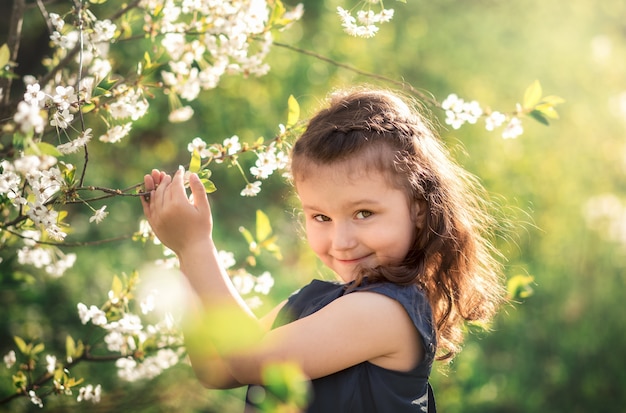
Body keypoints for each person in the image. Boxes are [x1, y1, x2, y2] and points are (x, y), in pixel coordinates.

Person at [141, 86, 506, 412]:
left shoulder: (388, 312)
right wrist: (184, 258)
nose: (341, 241)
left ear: (418, 209)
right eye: (320, 217)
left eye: (364, 213)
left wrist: (195, 246)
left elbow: (248, 358)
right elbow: (217, 369)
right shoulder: (311, 300)